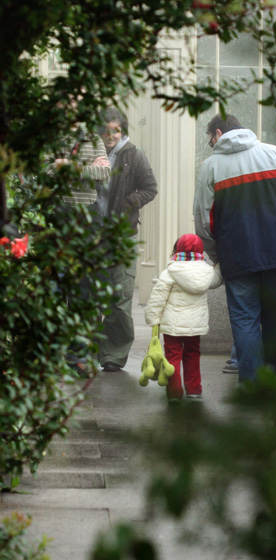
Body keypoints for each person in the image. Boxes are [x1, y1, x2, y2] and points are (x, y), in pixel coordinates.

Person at [194, 114, 276, 381]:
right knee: (275, 316)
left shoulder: (211, 167)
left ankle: (253, 387)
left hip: (237, 256)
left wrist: (216, 256)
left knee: (245, 321)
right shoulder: (274, 153)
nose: (212, 146)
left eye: (211, 141)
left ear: (218, 134)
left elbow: (203, 219)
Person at [46, 118, 111, 376]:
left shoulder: (94, 140)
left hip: (88, 217)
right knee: (55, 288)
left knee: (83, 291)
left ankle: (76, 358)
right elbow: (44, 170)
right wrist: (86, 168)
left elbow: (105, 172)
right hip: (59, 218)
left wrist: (69, 167)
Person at [96, 107, 158, 372]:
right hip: (93, 235)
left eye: (116, 130)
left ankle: (114, 355)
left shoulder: (134, 155)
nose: (110, 136)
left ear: (122, 130)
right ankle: (89, 354)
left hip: (122, 236)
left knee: (120, 296)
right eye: (106, 131)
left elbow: (150, 188)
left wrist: (130, 201)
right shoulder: (91, 153)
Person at [144, 234, 222, 402]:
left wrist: (153, 319)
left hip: (172, 325)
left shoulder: (170, 272)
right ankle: (194, 389)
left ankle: (174, 392)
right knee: (192, 354)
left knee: (173, 356)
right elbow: (216, 281)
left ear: (177, 249)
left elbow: (158, 298)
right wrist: (218, 265)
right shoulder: (207, 272)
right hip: (195, 325)